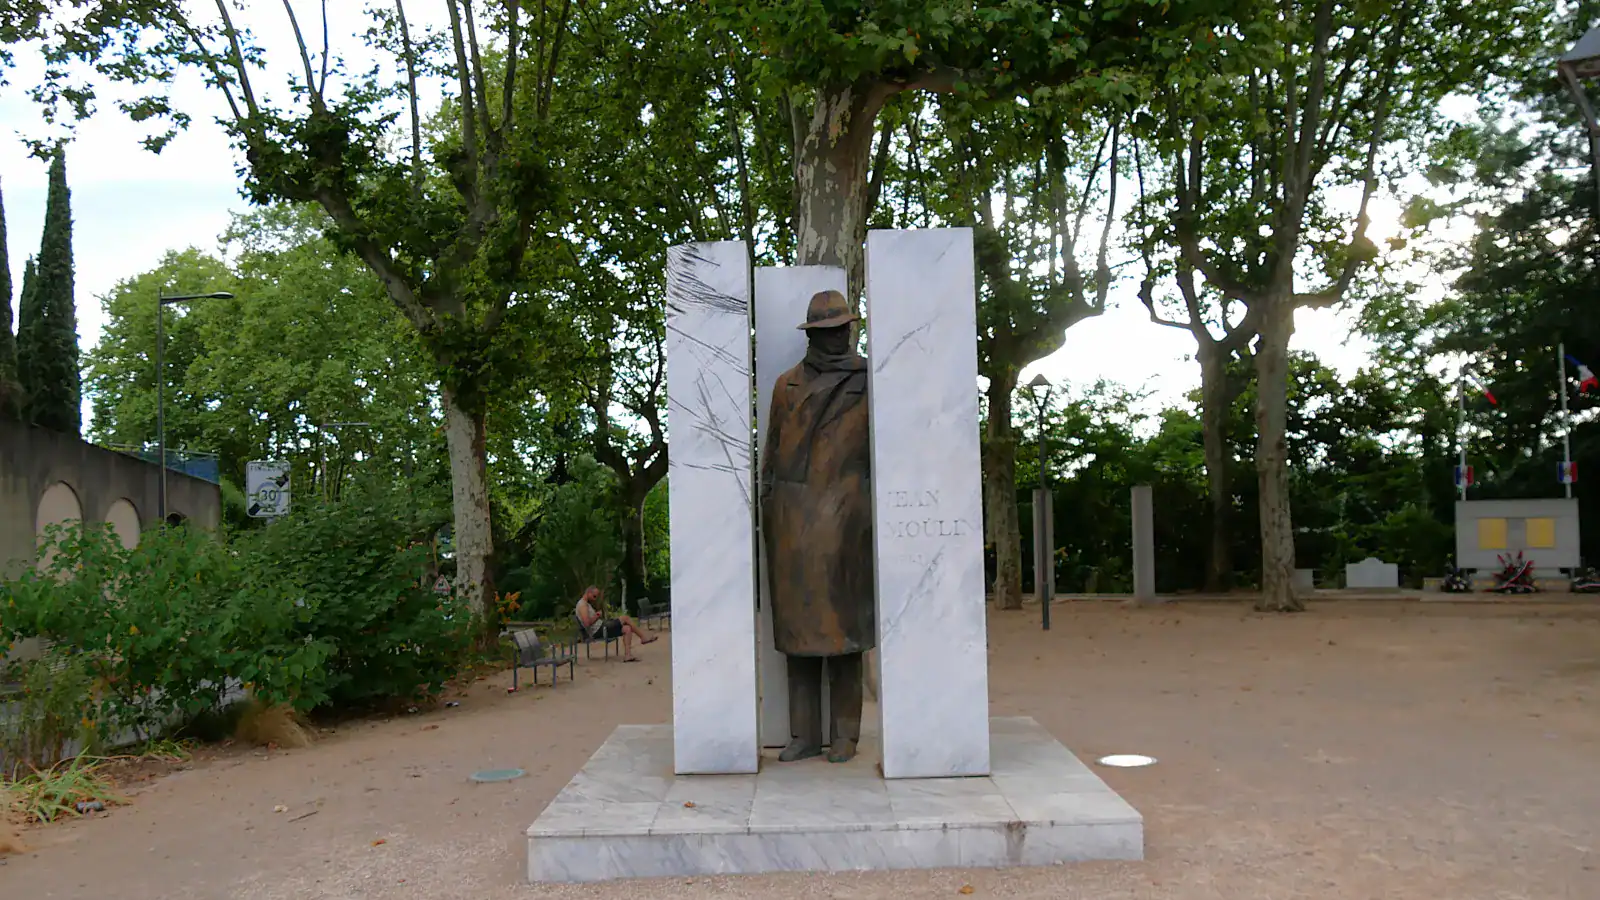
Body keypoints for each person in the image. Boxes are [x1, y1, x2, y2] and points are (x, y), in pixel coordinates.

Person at [760, 289, 874, 764]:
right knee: (797, 637)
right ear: (814, 334)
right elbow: (770, 453)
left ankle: (845, 734)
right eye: (828, 330)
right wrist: (769, 506)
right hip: (792, 522)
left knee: (844, 634)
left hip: (847, 520)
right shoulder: (786, 385)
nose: (837, 336)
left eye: (842, 328)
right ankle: (804, 734)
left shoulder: (870, 380)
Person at [574, 586, 657, 662]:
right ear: (588, 593)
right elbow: (587, 623)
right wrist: (597, 615)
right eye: (594, 596)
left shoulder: (585, 604)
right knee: (625, 618)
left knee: (627, 629)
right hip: (598, 630)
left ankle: (628, 655)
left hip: (601, 627)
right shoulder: (582, 605)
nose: (595, 599)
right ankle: (643, 638)